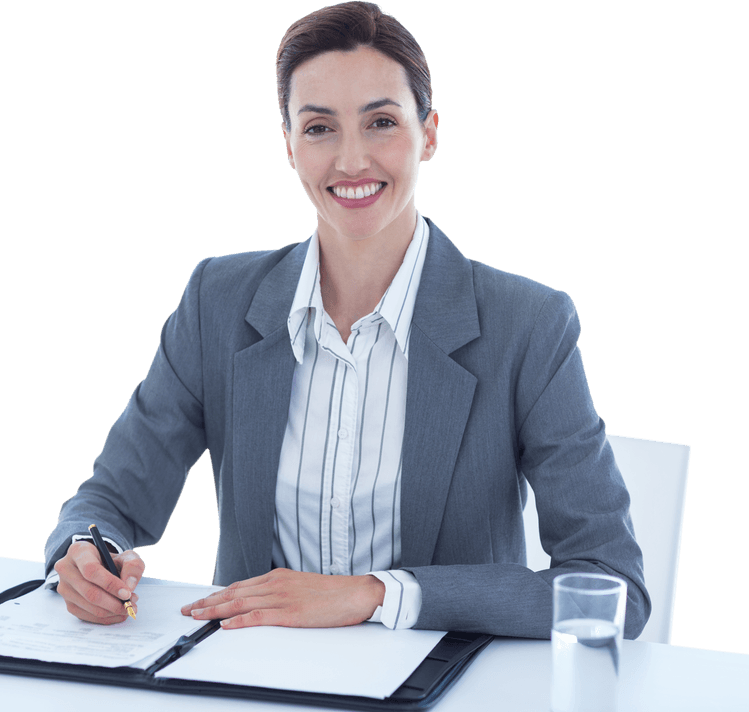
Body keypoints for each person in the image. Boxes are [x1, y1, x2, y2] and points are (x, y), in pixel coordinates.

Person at [45, 0, 650, 639]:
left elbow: (612, 590)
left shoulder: (527, 327)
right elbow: (112, 498)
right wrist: (84, 552)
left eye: (382, 122)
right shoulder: (218, 301)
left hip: (440, 690)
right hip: (254, 680)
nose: (352, 161)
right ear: (288, 146)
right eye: (319, 128)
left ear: (431, 134)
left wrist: (374, 596)